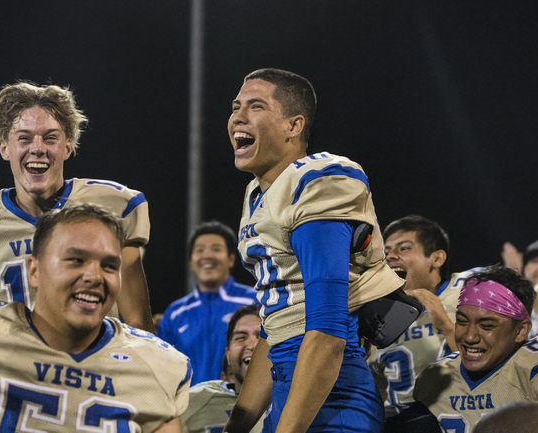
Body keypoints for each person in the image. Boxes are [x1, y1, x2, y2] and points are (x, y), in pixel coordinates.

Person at [0, 205, 191, 432]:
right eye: (75, 260)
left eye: (109, 265)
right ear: (34, 271)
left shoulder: (158, 367)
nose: (94, 276)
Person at [224, 68, 404, 433]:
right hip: (289, 386)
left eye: (255, 106)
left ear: (294, 126)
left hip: (332, 396)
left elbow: (327, 331)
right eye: (235, 106)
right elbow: (276, 328)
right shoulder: (257, 194)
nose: (238, 117)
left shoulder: (318, 176)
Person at [0, 82, 153, 332]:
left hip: (94, 366)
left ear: (67, 147)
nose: (38, 148)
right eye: (25, 138)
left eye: (50, 138)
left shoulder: (114, 207)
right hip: (14, 368)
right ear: (4, 148)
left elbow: (139, 326)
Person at [413, 265, 537, 432]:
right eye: (462, 322)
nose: (469, 337)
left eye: (486, 326)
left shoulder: (529, 370)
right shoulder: (436, 379)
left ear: (521, 330)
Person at [369, 215, 474, 405]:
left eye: (404, 248)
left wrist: (447, 327)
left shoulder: (468, 292)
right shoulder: (375, 311)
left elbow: (495, 371)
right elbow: (375, 389)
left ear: (437, 258)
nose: (391, 256)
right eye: (387, 251)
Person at [158, 221, 257, 385]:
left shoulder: (254, 301)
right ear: (191, 260)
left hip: (243, 404)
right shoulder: (175, 313)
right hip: (191, 407)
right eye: (200, 250)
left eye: (216, 249)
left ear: (231, 259)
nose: (207, 256)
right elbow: (163, 367)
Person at [181, 305, 265, 433]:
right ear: (228, 355)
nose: (252, 345)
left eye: (261, 336)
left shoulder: (297, 403)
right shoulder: (192, 402)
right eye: (241, 337)